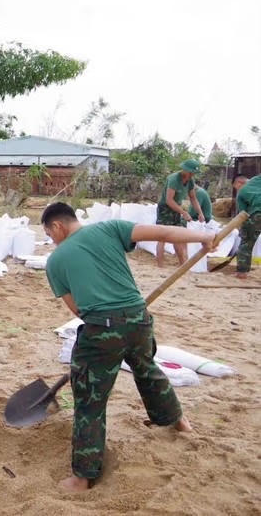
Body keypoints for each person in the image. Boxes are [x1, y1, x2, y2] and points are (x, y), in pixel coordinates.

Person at [40, 202, 216, 493]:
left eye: (49, 234)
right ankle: (180, 423)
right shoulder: (111, 228)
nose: (52, 241)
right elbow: (163, 233)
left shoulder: (55, 261)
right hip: (139, 319)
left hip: (101, 327)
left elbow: (78, 310)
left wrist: (104, 334)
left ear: (57, 226)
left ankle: (82, 477)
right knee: (147, 370)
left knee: (90, 400)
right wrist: (204, 238)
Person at [155, 159, 205, 267]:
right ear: (184, 170)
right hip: (165, 209)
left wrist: (200, 213)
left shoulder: (190, 181)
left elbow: (193, 198)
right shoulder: (174, 179)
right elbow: (169, 200)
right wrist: (183, 212)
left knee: (178, 236)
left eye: (193, 173)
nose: (192, 175)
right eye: (190, 172)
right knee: (162, 236)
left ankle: (182, 265)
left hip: (176, 208)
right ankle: (160, 265)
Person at [234, 174, 261, 279]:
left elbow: (243, 215)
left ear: (238, 183)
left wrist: (243, 229)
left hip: (257, 213)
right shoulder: (257, 179)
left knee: (246, 243)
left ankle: (242, 272)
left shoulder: (241, 192)